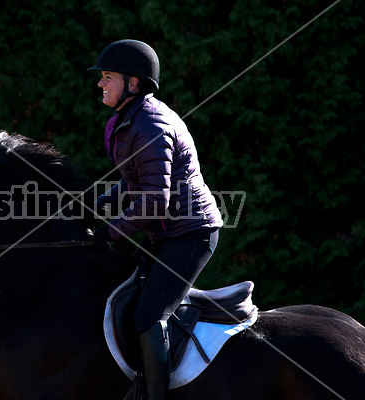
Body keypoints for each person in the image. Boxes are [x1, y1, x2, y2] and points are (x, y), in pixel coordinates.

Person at [88, 39, 223, 399]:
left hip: (191, 234)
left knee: (148, 316)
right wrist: (96, 205)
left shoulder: (150, 124)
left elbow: (153, 201)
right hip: (165, 233)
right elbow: (132, 178)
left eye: (107, 77)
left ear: (133, 83)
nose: (100, 84)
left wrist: (111, 232)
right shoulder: (127, 119)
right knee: (122, 295)